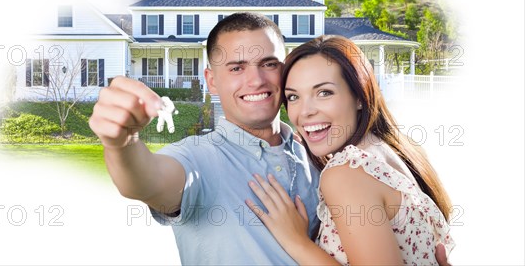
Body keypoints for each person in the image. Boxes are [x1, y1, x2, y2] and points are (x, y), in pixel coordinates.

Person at [89, 13, 321, 265]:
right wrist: (122, 143)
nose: (256, 80)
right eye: (236, 68)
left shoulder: (313, 153)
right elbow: (148, 182)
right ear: (211, 81)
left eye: (269, 64)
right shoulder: (197, 156)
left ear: (285, 71)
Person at [245, 35, 455, 265]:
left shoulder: (347, 173)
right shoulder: (397, 151)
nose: (304, 112)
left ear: (359, 96)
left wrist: (297, 242)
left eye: (324, 92)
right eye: (293, 97)